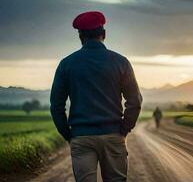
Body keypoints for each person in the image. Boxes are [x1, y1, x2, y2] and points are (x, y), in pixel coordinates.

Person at [50, 11, 142, 182]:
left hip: (81, 137)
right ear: (104, 34)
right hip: (113, 135)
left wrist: (69, 135)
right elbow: (135, 101)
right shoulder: (121, 62)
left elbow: (56, 105)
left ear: (80, 36)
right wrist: (123, 129)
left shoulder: (66, 64)